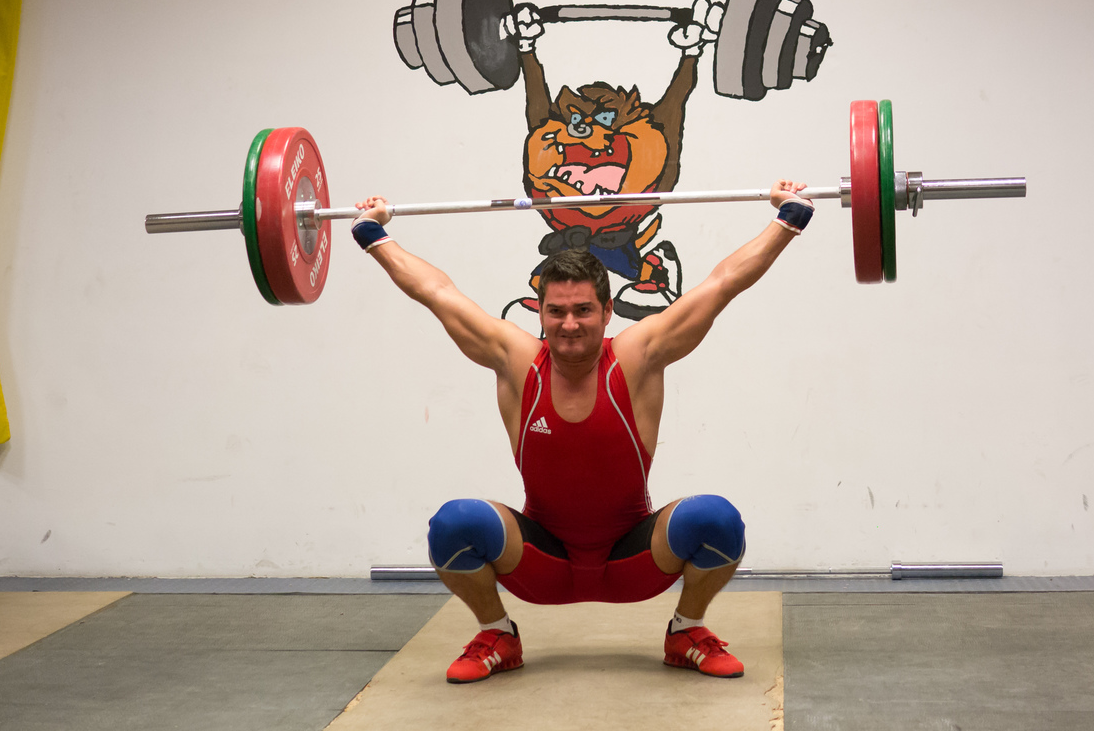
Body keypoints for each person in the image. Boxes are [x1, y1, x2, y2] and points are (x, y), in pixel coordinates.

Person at [349, 180, 815, 684]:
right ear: (540, 312)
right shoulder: (515, 358)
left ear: (607, 311)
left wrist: (787, 220)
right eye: (557, 311)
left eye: (583, 310)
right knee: (454, 524)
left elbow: (722, 284)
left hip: (634, 559)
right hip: (541, 563)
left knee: (716, 519)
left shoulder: (639, 356)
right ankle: (497, 635)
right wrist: (374, 235)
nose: (569, 324)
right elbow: (436, 292)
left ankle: (687, 631)